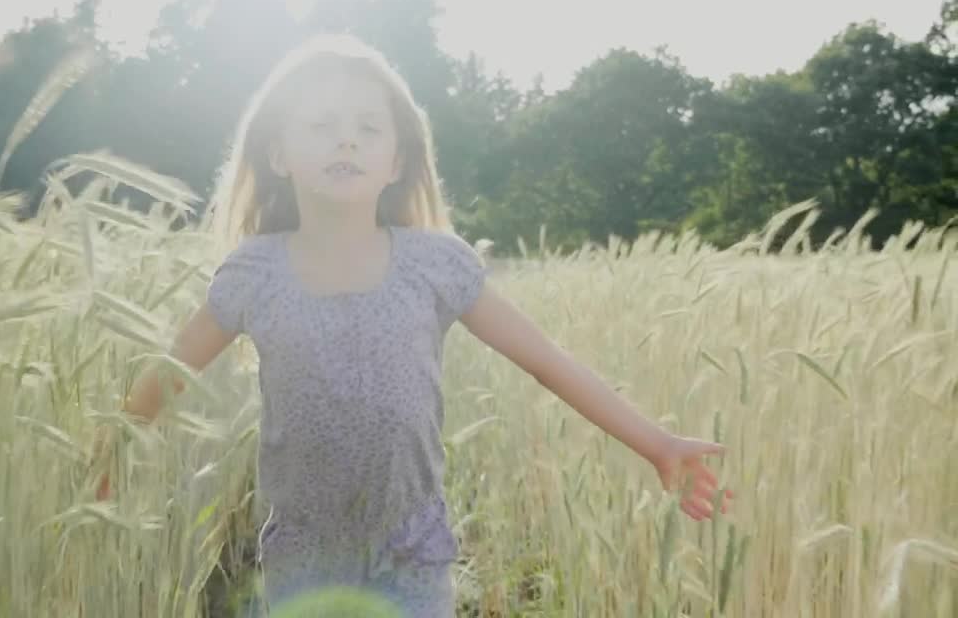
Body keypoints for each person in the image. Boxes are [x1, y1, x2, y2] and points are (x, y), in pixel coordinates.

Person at [94, 34, 732, 616]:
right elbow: (171, 372)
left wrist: (657, 443)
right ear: (279, 153)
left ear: (397, 161)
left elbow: (548, 361)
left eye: (367, 128)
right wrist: (111, 455)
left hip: (412, 559)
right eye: (321, 124)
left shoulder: (435, 265)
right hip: (301, 562)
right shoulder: (254, 273)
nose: (346, 140)